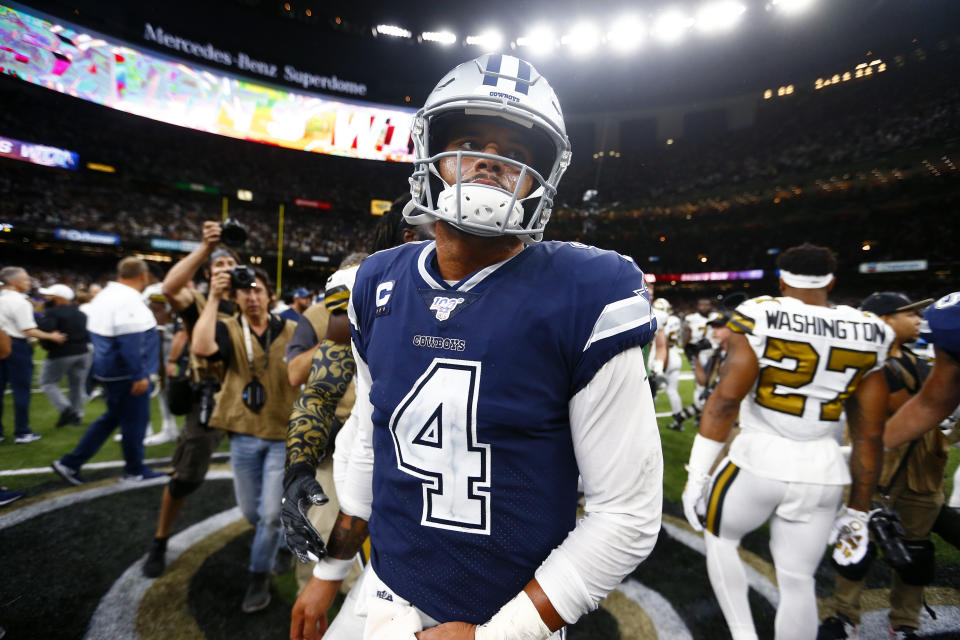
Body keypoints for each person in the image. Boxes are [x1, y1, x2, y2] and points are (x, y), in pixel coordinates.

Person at [291, 54, 662, 640]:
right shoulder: (375, 282)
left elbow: (628, 515)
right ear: (431, 155)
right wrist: (331, 570)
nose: (492, 161)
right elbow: (368, 432)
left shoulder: (589, 291)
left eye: (516, 154)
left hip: (504, 618)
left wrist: (499, 635)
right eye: (470, 140)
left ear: (541, 178)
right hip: (381, 592)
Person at [681, 243, 892, 640]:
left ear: (781, 281)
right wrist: (859, 511)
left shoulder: (762, 314)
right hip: (824, 472)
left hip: (758, 460)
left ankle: (743, 635)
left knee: (720, 538)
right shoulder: (870, 329)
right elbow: (870, 434)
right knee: (798, 580)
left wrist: (697, 474)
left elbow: (725, 400)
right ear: (831, 281)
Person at [817, 292, 939, 640]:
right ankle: (844, 615)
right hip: (873, 467)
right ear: (884, 320)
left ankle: (906, 622)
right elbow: (918, 408)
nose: (918, 319)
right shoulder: (864, 364)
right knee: (856, 543)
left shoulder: (920, 360)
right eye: (909, 314)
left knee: (916, 553)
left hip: (924, 470)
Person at [193, 265, 300, 613]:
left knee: (269, 515)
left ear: (269, 294)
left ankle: (258, 577)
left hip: (281, 434)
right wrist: (212, 297)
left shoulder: (293, 330)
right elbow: (201, 347)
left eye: (258, 291)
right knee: (253, 514)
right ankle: (283, 542)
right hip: (242, 435)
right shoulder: (227, 329)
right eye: (245, 292)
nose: (252, 297)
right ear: (235, 298)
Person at [142, 223, 238, 578]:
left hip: (249, 400)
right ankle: (160, 539)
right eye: (218, 267)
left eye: (231, 266)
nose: (226, 271)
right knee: (185, 476)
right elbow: (169, 288)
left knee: (267, 471)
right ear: (209, 274)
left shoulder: (251, 299)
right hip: (210, 399)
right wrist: (204, 248)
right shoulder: (198, 301)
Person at [51, 258, 161, 484]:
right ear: (143, 276)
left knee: (112, 418)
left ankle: (70, 463)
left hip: (109, 370)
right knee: (135, 422)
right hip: (125, 373)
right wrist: (139, 374)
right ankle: (134, 470)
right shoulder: (127, 299)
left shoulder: (105, 294)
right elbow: (129, 341)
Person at [883, 291, 960, 449]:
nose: (918, 321)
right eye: (910, 315)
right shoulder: (949, 320)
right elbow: (930, 405)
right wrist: (874, 449)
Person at [0, 266, 67, 443]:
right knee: (21, 390)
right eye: (25, 279)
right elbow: (29, 330)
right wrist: (51, 336)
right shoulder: (20, 302)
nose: (29, 282)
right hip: (16, 346)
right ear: (13, 282)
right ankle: (22, 432)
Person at [36, 283, 91, 428]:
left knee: (47, 382)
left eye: (50, 296)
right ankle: (77, 415)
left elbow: (46, 330)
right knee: (77, 385)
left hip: (62, 352)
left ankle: (66, 410)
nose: (46, 298)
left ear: (59, 298)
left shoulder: (53, 312)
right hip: (83, 352)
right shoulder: (80, 313)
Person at [649, 297, 684, 430]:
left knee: (653, 392)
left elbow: (662, 344)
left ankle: (651, 422)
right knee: (673, 391)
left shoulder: (661, 319)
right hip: (676, 356)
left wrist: (660, 366)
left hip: (666, 359)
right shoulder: (675, 319)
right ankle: (679, 421)